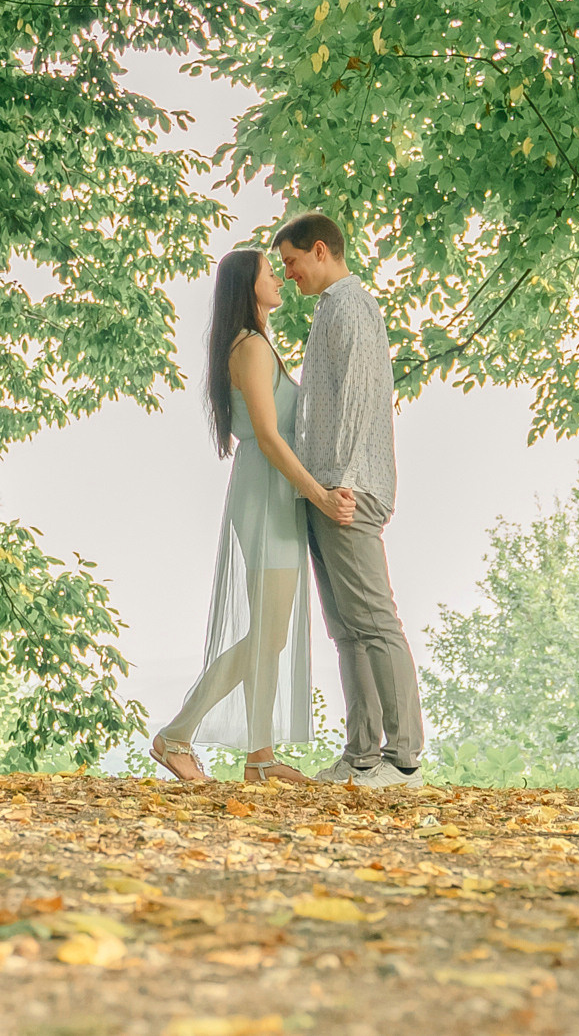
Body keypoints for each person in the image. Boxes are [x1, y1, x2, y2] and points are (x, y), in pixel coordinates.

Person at [148, 247, 351, 784]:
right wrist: (321, 496)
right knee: (267, 634)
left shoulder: (254, 344)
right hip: (266, 492)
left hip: (268, 490)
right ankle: (176, 735)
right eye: (269, 272)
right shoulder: (252, 348)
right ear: (248, 286)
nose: (280, 279)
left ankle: (260, 758)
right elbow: (267, 436)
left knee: (269, 635)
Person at [274, 212, 425, 790]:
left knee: (375, 621)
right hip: (327, 488)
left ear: (320, 250)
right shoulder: (330, 309)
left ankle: (403, 760)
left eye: (291, 262)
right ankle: (362, 756)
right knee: (346, 629)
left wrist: (339, 482)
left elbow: (360, 398)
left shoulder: (351, 306)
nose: (288, 274)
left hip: (347, 488)